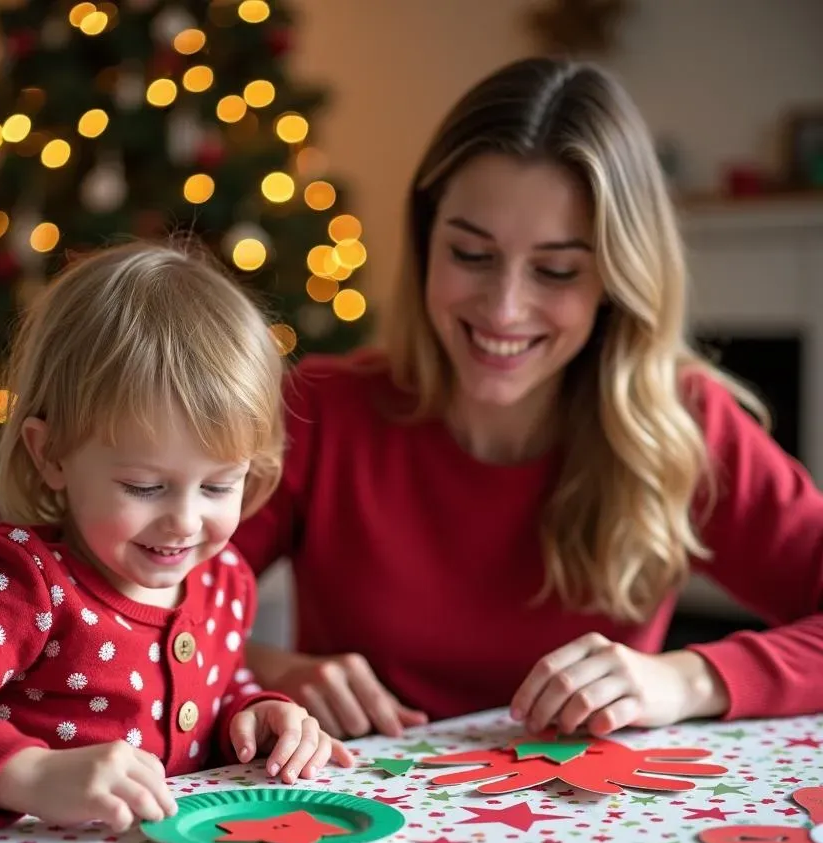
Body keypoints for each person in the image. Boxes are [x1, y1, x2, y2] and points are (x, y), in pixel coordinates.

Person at [233, 56, 823, 741]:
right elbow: (133, 608)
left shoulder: (682, 423)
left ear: (616, 278)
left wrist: (685, 678)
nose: (505, 308)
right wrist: (266, 670)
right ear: (426, 242)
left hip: (594, 829)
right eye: (471, 255)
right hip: (353, 823)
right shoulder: (323, 410)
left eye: (556, 269)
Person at [0, 241, 352, 841]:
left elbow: (215, 684)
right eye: (145, 486)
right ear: (49, 454)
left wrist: (254, 715)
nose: (184, 521)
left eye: (218, 485)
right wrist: (26, 772)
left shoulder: (223, 578)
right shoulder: (21, 582)